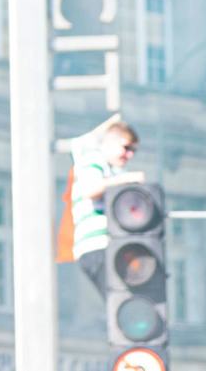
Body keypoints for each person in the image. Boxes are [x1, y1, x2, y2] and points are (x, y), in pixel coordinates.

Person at [68, 118, 143, 295]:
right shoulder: (92, 160)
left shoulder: (113, 171)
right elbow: (91, 188)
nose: (129, 155)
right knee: (121, 300)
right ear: (109, 144)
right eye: (126, 148)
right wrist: (126, 180)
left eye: (133, 150)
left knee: (126, 301)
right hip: (97, 245)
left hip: (110, 245)